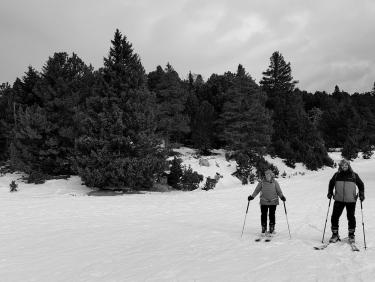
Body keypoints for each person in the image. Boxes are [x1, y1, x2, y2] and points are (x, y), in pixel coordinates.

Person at [327, 159, 365, 243]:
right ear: (340, 166)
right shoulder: (337, 175)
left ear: (349, 166)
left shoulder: (354, 175)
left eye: (346, 165)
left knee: (351, 217)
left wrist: (361, 194)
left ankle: (351, 235)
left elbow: (361, 185)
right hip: (338, 199)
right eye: (342, 165)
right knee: (334, 217)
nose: (344, 167)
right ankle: (335, 235)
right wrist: (330, 192)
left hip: (351, 200)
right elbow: (331, 183)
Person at [248, 169, 286, 235]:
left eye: (268, 175)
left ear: (271, 175)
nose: (267, 176)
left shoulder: (275, 182)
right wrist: (252, 197)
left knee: (272, 215)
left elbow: (279, 191)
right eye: (266, 175)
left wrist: (282, 197)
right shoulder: (262, 182)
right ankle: (264, 228)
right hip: (263, 201)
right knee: (263, 215)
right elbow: (257, 190)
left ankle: (272, 228)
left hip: (273, 201)